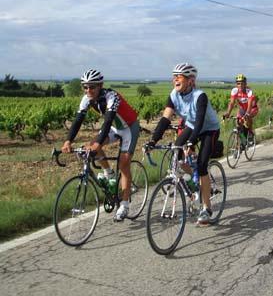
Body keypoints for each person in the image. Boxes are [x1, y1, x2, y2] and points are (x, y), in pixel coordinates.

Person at [145, 63, 220, 226]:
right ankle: (194, 179)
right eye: (174, 76)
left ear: (190, 80)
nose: (175, 79)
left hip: (209, 129)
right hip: (193, 126)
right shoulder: (173, 95)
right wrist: (153, 141)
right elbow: (165, 119)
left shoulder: (200, 96)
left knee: (202, 165)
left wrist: (192, 142)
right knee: (176, 151)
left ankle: (206, 208)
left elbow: (200, 121)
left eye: (179, 76)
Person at [61, 69, 140, 221]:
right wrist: (68, 141)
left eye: (92, 87)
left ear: (100, 86)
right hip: (115, 128)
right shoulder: (86, 99)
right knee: (93, 146)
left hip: (129, 128)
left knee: (123, 164)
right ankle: (109, 174)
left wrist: (98, 144)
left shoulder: (112, 97)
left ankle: (124, 204)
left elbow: (108, 120)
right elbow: (78, 121)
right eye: (85, 87)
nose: (88, 90)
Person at [223, 73, 258, 143]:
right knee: (238, 123)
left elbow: (250, 105)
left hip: (252, 108)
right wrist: (228, 113)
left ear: (245, 84)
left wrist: (247, 114)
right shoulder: (234, 91)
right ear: (236, 84)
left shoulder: (249, 91)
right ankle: (243, 140)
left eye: (242, 83)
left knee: (247, 118)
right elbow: (232, 103)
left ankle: (250, 133)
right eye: (238, 83)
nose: (240, 85)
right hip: (242, 109)